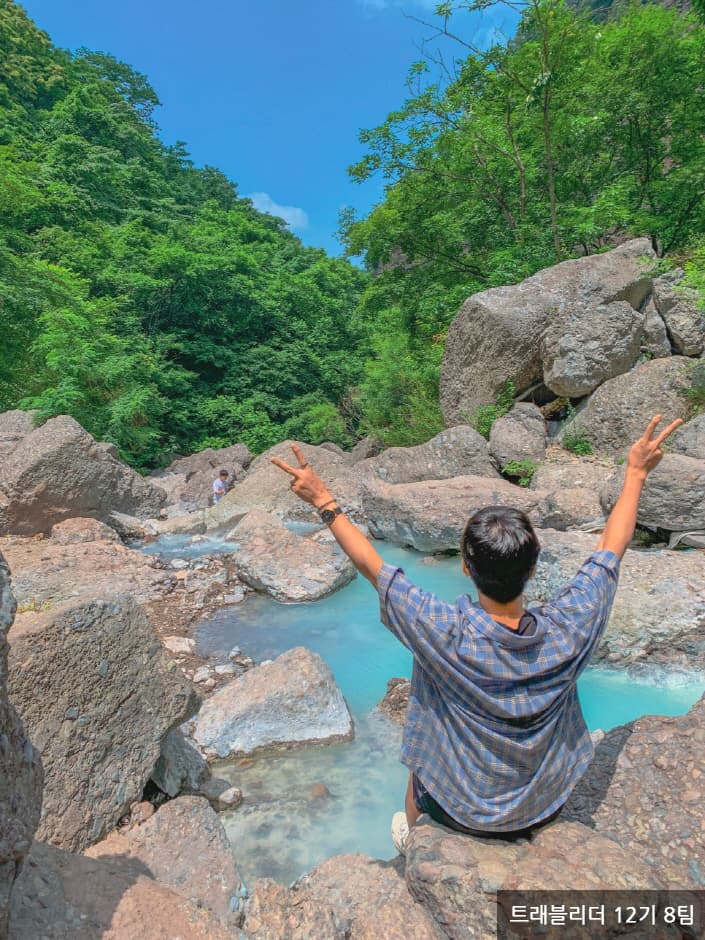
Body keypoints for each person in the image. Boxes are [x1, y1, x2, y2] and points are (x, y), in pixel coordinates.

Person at [270, 415, 682, 852]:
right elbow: (609, 553)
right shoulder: (571, 626)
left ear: (465, 568)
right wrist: (635, 473)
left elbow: (375, 568)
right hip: (547, 803)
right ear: (534, 568)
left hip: (461, 809)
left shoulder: (443, 630)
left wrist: (323, 500)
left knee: (421, 761)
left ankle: (414, 842)